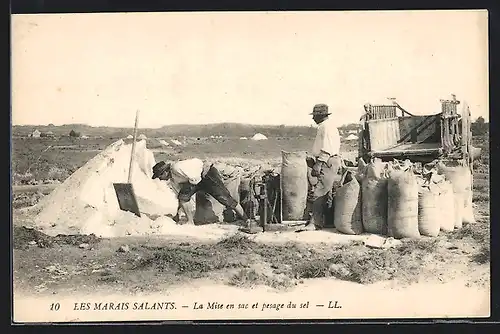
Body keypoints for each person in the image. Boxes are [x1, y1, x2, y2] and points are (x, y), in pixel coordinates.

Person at [152, 158, 253, 227]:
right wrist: (177, 215)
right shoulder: (173, 181)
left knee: (225, 198)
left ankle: (246, 219)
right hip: (196, 180)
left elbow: (195, 177)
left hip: (206, 174)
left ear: (164, 172)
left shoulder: (177, 168)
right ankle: (190, 222)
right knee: (183, 198)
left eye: (160, 176)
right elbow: (180, 197)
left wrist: (189, 188)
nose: (160, 179)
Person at [304, 103, 344, 230]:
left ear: (320, 116)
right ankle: (326, 221)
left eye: (315, 116)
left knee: (319, 191)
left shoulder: (325, 127)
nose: (313, 119)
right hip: (331, 160)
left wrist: (319, 163)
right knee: (327, 191)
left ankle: (315, 223)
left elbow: (327, 148)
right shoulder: (328, 126)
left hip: (327, 160)